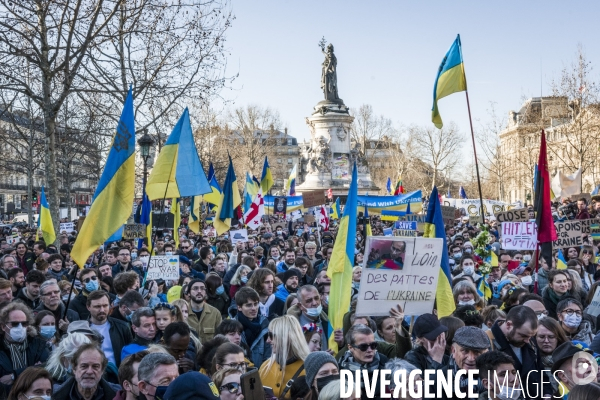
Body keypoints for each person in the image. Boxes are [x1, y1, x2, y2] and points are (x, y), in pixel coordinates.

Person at [487, 305, 551, 398]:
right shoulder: (488, 342)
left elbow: (541, 374)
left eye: (531, 336)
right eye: (523, 336)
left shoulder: (530, 339)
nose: (527, 340)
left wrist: (547, 393)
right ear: (509, 325)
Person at [0, 302, 49, 391]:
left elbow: (48, 367)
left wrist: (14, 375)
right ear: (3, 326)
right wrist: (34, 368)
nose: (20, 327)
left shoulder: (38, 344)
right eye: (15, 324)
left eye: (24, 324)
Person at [259, 315, 309, 399]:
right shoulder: (265, 367)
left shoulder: (308, 369)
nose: (267, 340)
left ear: (286, 337)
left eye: (271, 335)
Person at [54, 343, 121, 400]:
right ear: (74, 369)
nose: (89, 372)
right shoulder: (54, 395)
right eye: (84, 366)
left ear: (102, 370)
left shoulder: (119, 395)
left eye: (95, 366)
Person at [338, 324, 388, 400]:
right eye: (363, 347)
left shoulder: (385, 364)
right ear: (350, 347)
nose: (370, 350)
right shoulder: (340, 369)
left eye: (373, 345)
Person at [87, 290, 133, 368]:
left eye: (105, 305)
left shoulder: (122, 327)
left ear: (110, 305)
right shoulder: (82, 330)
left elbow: (131, 355)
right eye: (97, 306)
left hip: (117, 375)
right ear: (88, 307)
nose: (102, 310)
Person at [233, 287, 271, 367]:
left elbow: (268, 356)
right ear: (239, 307)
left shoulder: (266, 325)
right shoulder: (231, 327)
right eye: (248, 305)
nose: (253, 308)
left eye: (256, 304)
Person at [287, 285, 328, 350]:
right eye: (309, 301)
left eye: (316, 298)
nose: (314, 303)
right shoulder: (293, 326)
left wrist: (341, 343)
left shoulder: (327, 320)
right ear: (300, 305)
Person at [537, 317, 568, 393]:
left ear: (558, 338)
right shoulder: (531, 362)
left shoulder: (569, 360)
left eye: (551, 337)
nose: (546, 341)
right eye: (542, 337)